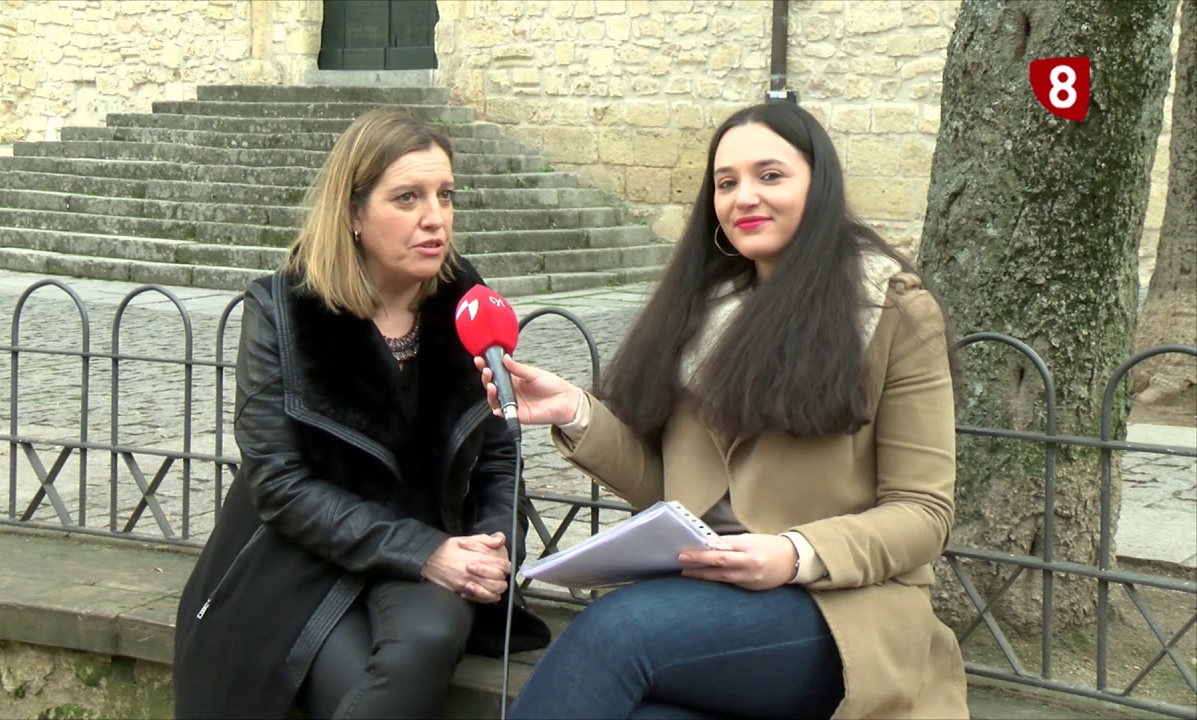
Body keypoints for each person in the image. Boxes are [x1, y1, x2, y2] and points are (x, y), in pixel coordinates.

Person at [477, 101, 969, 719]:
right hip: (706, 603)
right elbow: (674, 495)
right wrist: (575, 410)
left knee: (615, 630)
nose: (745, 198)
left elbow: (923, 512)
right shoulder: (700, 310)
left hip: (842, 611)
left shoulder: (891, 308)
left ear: (818, 186)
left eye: (771, 176)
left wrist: (793, 553)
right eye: (726, 182)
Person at [173, 107, 550, 720]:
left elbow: (500, 449)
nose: (436, 217)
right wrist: (422, 551)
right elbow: (277, 483)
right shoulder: (284, 311)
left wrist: (492, 546)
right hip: (305, 557)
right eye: (407, 197)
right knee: (350, 686)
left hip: (437, 546)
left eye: (445, 194)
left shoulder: (468, 302)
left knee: (426, 641)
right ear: (352, 214)